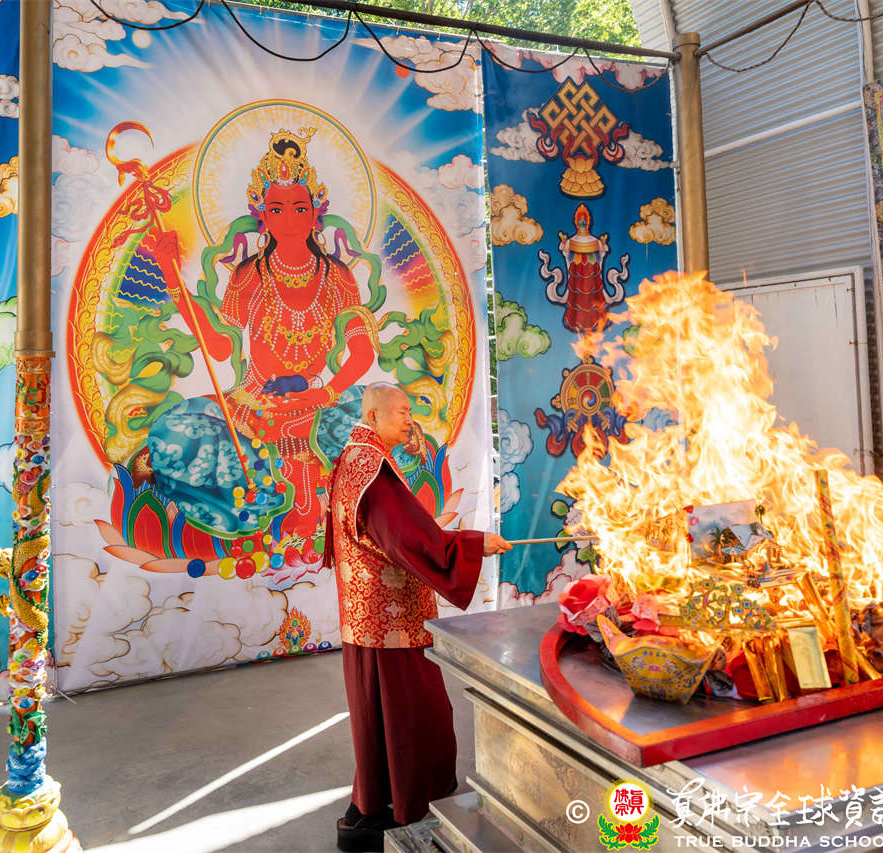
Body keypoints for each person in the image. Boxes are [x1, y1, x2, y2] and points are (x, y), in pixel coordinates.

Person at [323, 382, 511, 852]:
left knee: (378, 720)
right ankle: (410, 809)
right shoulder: (374, 471)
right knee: (413, 717)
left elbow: (398, 532)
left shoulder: (354, 460)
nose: (410, 420)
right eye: (401, 412)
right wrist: (473, 544)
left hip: (367, 618)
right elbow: (406, 538)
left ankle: (372, 808)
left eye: (410, 411)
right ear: (372, 416)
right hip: (391, 621)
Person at [186, 128, 375, 550]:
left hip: (318, 399)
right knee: (191, 435)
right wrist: (178, 289)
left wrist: (323, 393)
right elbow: (221, 347)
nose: (289, 219)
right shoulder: (248, 275)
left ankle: (315, 522)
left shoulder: (338, 277)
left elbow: (361, 353)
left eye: (299, 208)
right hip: (255, 399)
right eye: (277, 209)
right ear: (263, 217)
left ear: (315, 213)